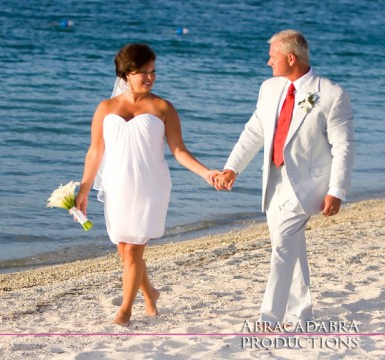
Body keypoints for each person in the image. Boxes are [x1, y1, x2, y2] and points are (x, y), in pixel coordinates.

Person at [214, 30, 354, 327]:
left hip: (308, 184)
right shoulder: (269, 88)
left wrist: (337, 190)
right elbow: (255, 130)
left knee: (282, 246)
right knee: (291, 245)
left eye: (272, 56)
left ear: (291, 58)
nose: (268, 62)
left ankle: (269, 316)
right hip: (274, 179)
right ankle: (301, 312)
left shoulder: (331, 93)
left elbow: (343, 146)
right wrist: (232, 168)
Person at [75, 43, 219, 326]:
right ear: (127, 73)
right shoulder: (105, 108)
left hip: (150, 185)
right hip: (117, 185)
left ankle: (124, 312)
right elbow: (95, 151)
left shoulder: (163, 107)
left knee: (132, 251)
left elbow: (179, 150)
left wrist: (206, 173)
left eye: (153, 71)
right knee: (125, 250)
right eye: (143, 72)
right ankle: (151, 294)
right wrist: (84, 189)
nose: (150, 77)